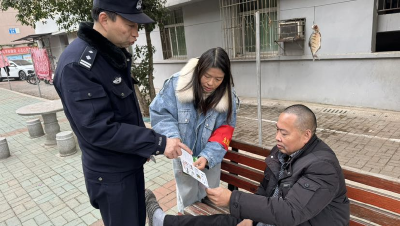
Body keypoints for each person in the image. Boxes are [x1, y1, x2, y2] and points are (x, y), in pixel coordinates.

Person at [53, 0, 191, 225]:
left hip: (128, 165)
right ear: (105, 19)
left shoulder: (109, 54)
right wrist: (158, 143)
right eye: (131, 25)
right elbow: (99, 129)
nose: (136, 33)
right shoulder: (79, 65)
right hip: (111, 176)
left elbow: (122, 115)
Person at [145, 104, 350, 226]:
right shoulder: (283, 151)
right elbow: (265, 191)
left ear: (306, 135)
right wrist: (251, 218)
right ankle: (163, 222)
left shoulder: (323, 167)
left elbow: (291, 212)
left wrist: (234, 199)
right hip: (276, 218)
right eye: (277, 130)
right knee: (224, 221)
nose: (277, 138)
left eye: (284, 133)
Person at [149, 47, 238, 212]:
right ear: (199, 70)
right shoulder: (177, 84)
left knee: (209, 197)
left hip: (211, 159)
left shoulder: (228, 96)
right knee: (187, 200)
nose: (211, 83)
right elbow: (161, 113)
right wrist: (172, 137)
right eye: (207, 76)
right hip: (183, 156)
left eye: (218, 79)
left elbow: (224, 130)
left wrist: (208, 156)